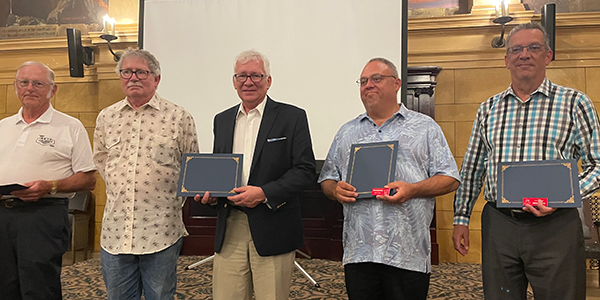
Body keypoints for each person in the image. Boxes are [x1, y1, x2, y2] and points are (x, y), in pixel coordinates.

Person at [453, 22, 600, 300]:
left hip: (555, 227)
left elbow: (599, 165)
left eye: (534, 48)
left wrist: (562, 196)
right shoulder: (488, 109)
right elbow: (472, 169)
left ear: (548, 56)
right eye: (517, 49)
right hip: (500, 225)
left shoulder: (575, 103)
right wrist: (461, 218)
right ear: (506, 60)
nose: (525, 54)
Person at [319, 57, 460, 300]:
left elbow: (450, 178)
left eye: (376, 79)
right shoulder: (347, 132)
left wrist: (413, 189)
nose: (368, 85)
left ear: (396, 84)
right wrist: (335, 190)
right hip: (360, 252)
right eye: (363, 81)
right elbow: (328, 179)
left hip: (408, 253)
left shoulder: (424, 128)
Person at [195, 49, 316, 300]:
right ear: (234, 81)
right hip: (230, 226)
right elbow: (222, 168)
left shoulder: (292, 117)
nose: (248, 81)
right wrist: (212, 194)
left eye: (256, 75)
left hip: (274, 225)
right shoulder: (222, 120)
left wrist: (264, 193)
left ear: (268, 81)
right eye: (241, 76)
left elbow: (305, 171)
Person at [94, 48, 199, 300]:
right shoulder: (106, 117)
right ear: (120, 77)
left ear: (156, 78)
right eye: (126, 72)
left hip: (160, 230)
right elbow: (101, 161)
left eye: (141, 72)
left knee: (161, 296)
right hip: (116, 231)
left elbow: (191, 166)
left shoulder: (179, 117)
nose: (133, 77)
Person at [0, 61, 97, 300]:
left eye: (38, 83)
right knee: (4, 285)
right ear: (15, 87)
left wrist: (51, 186)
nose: (30, 88)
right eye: (24, 82)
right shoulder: (3, 127)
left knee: (38, 286)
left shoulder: (70, 127)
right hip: (2, 214)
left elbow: (88, 179)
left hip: (43, 215)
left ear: (53, 90)